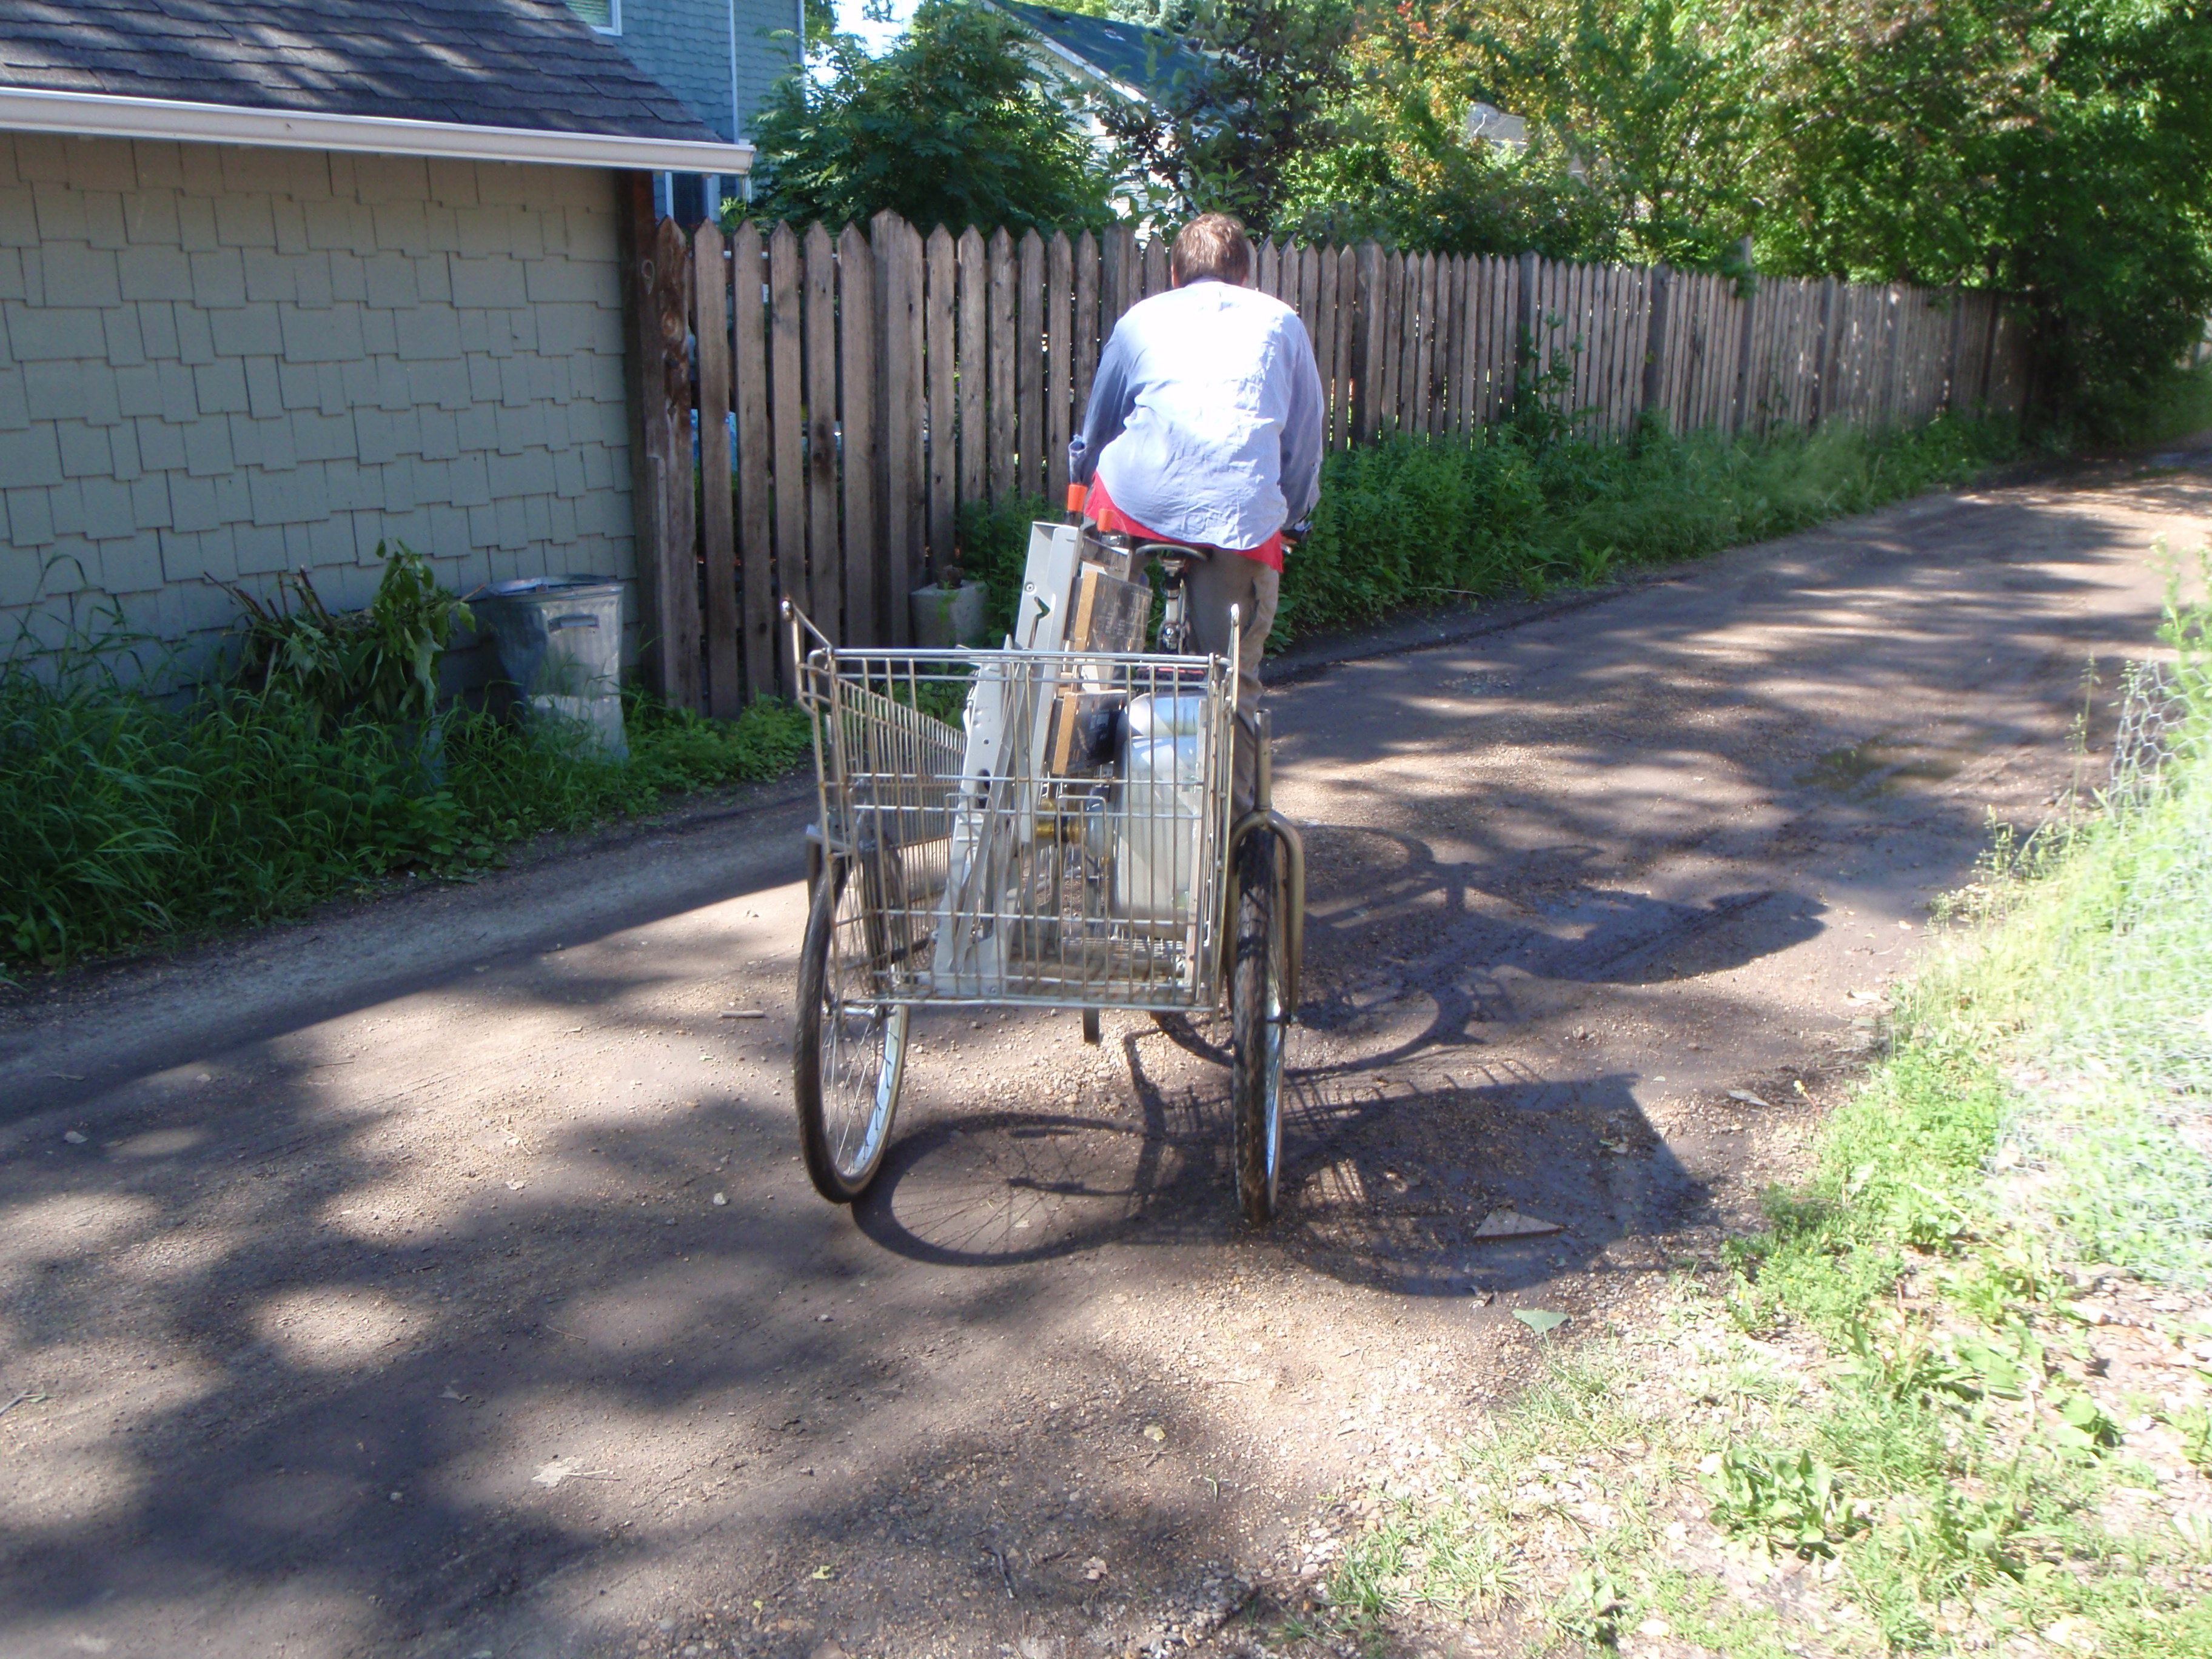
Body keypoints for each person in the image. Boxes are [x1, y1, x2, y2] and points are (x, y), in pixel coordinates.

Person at [1067, 212, 1324, 813]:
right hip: (1239, 517)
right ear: (1244, 275)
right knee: (1230, 683)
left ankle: (1087, 794)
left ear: (1176, 272)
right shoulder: (1282, 323)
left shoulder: (1140, 320)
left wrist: (1081, 494)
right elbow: (1304, 444)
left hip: (1129, 505)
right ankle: (1233, 840)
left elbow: (1099, 429)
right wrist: (1294, 519)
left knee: (1098, 658)